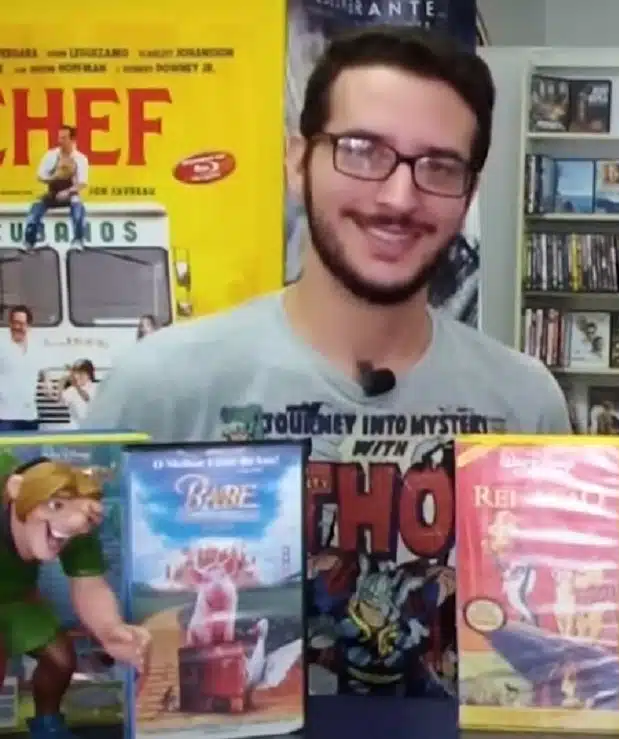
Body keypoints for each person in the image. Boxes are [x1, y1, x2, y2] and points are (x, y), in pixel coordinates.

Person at [83, 27, 572, 698]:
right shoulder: (161, 386)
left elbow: (546, 649)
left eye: (438, 166)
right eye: (362, 151)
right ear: (297, 162)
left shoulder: (524, 402)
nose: (398, 197)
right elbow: (75, 633)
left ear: (469, 193)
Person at [1, 459, 150, 739]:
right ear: (16, 490)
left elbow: (88, 583)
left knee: (60, 659)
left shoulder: (75, 527)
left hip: (17, 600)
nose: (76, 521)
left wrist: (110, 630)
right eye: (56, 505)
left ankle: (48, 725)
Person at [24, 126, 89, 250]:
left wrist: (67, 192)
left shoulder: (80, 158)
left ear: (72, 140)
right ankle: (29, 242)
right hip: (53, 193)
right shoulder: (51, 155)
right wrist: (55, 176)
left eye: (64, 138)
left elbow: (82, 183)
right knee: (35, 208)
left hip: (70, 194)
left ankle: (78, 240)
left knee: (78, 207)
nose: (60, 141)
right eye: (59, 138)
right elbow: (40, 176)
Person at [0, 305, 40, 432]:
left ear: (28, 326)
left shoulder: (36, 348)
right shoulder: (2, 346)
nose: (17, 327)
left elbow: (43, 372)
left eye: (21, 323)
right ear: (10, 323)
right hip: (5, 417)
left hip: (30, 416)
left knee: (32, 446)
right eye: (15, 322)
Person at [57, 359, 97, 429]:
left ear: (89, 374)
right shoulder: (71, 390)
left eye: (82, 373)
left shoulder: (95, 387)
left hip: (92, 426)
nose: (78, 376)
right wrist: (61, 385)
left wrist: (76, 385)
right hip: (74, 427)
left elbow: (87, 398)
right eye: (77, 373)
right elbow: (61, 402)